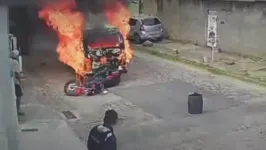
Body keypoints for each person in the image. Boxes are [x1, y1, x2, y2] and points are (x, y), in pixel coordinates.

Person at [10, 50, 24, 116]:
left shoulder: (8, 60)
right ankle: (17, 112)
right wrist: (20, 82)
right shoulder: (15, 62)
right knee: (18, 96)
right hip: (15, 82)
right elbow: (17, 74)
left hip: (9, 82)